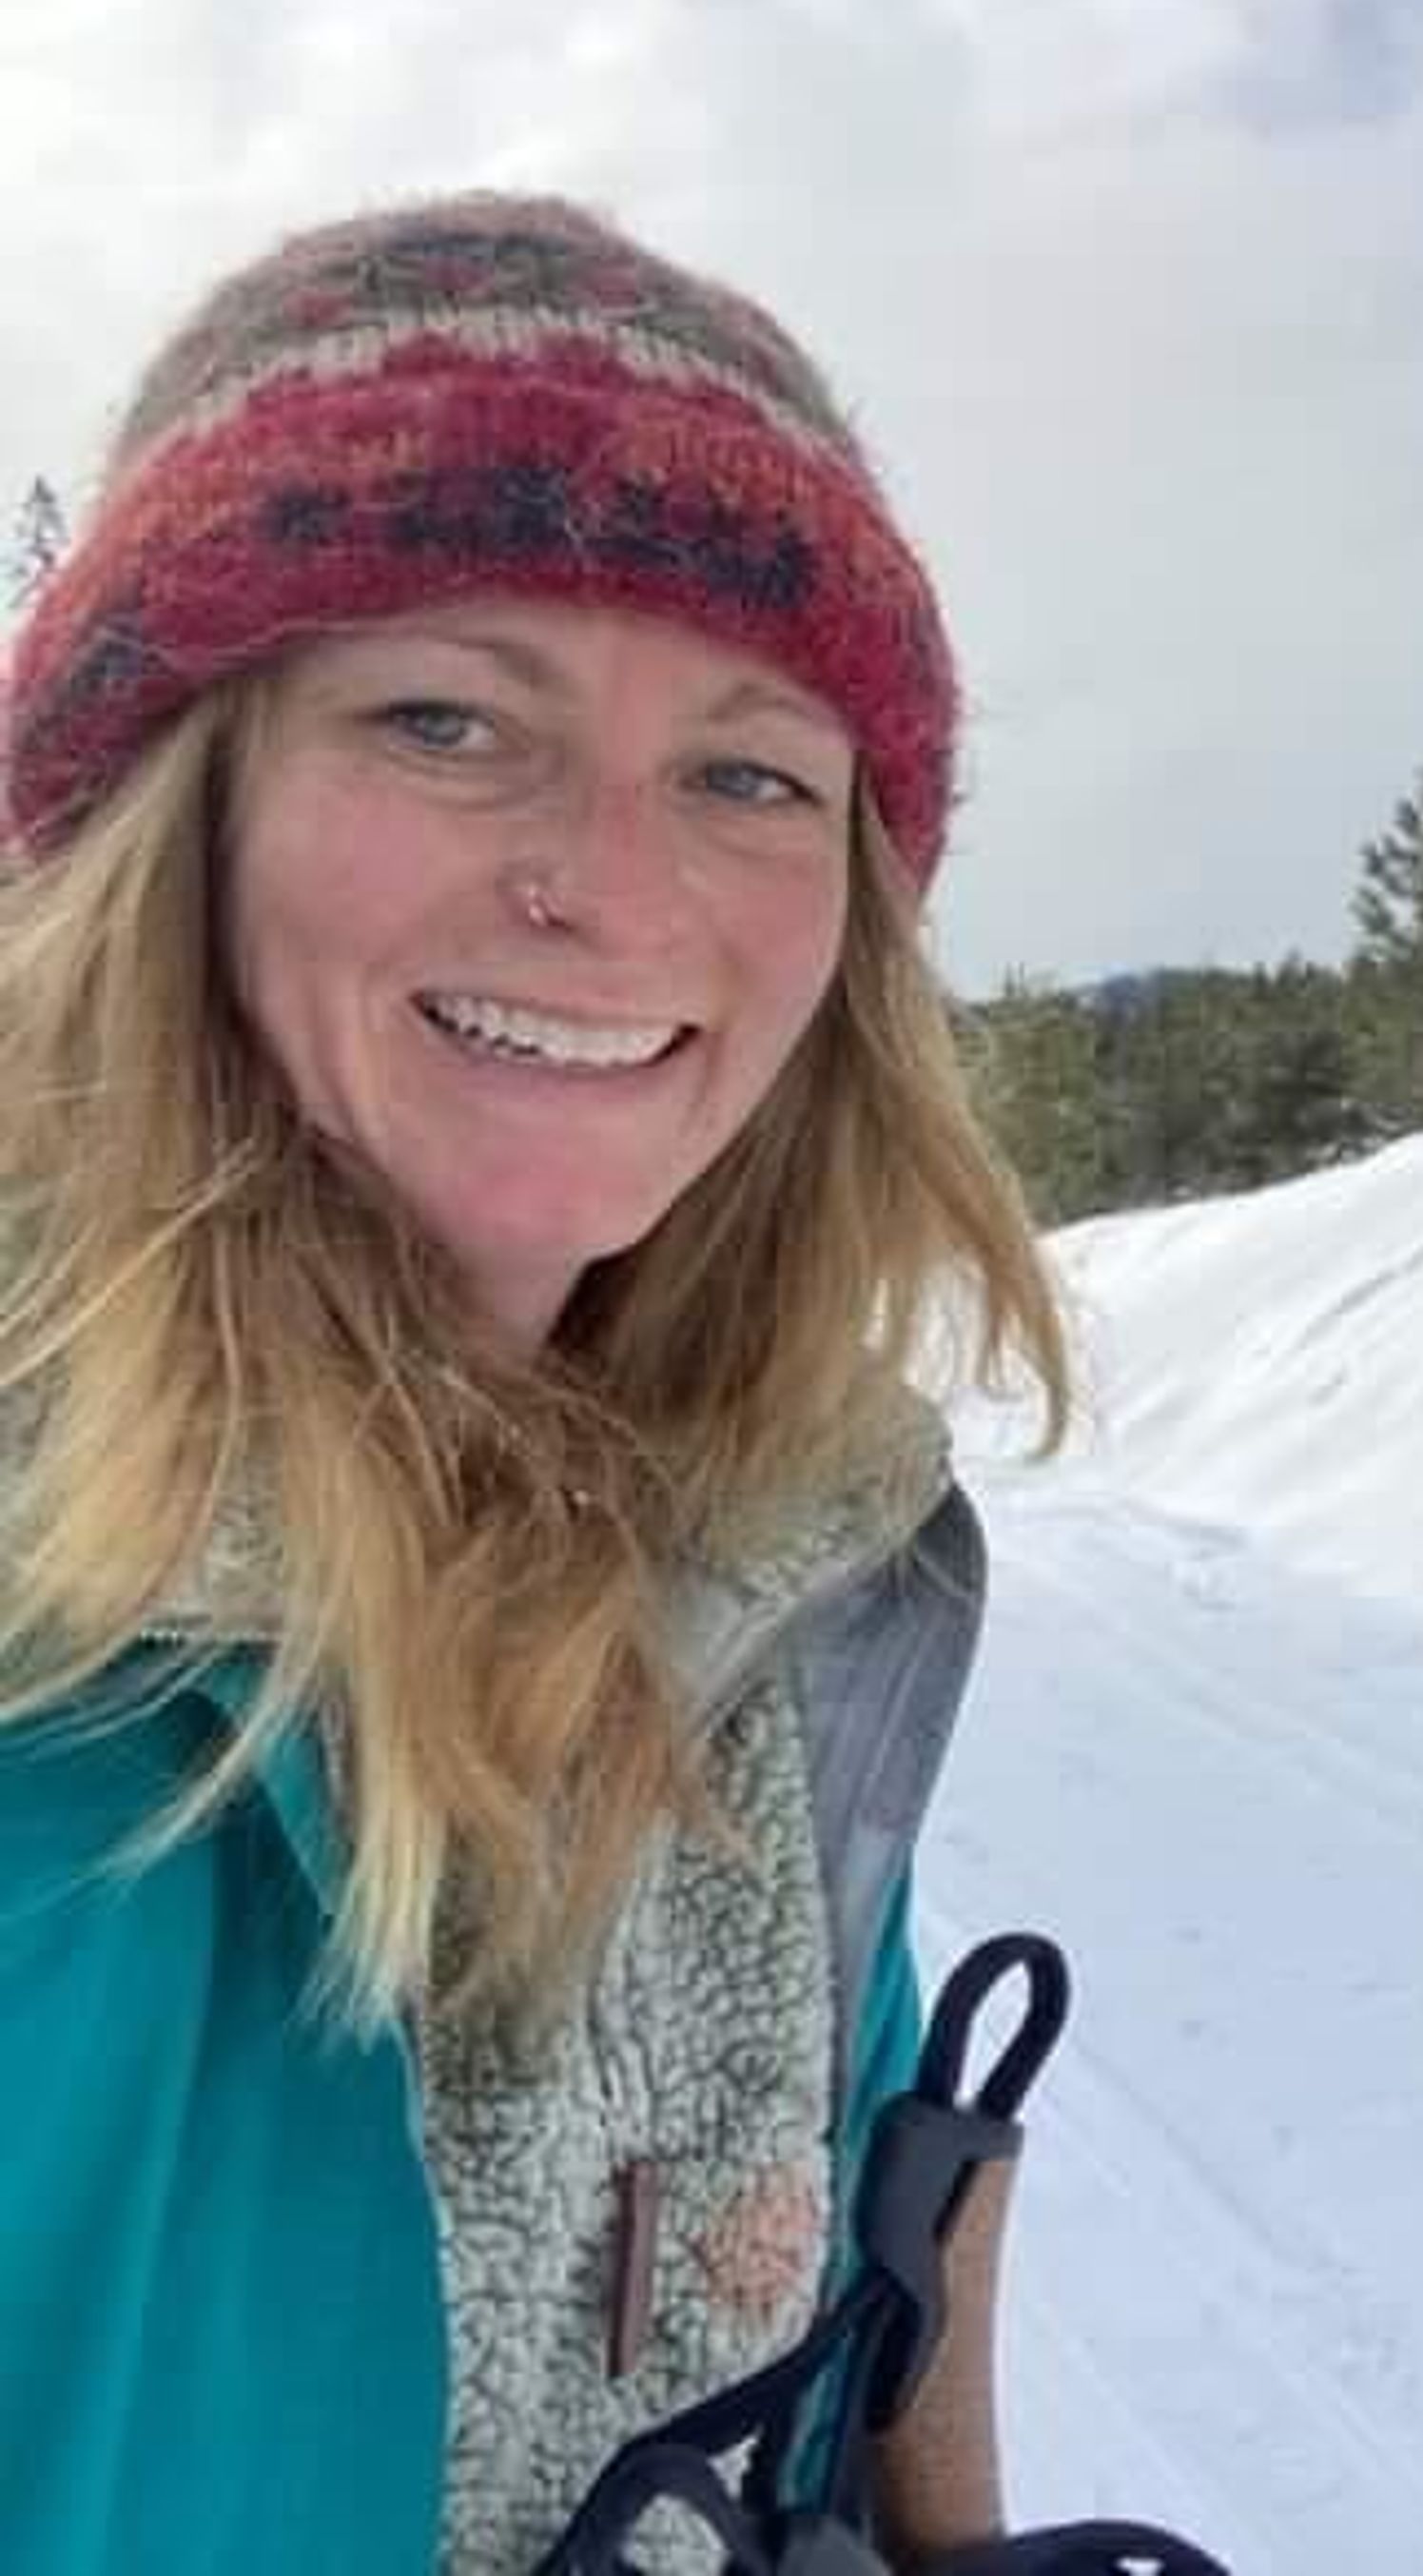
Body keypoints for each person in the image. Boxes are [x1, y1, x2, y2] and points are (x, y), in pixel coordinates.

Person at [0, 195, 1072, 2573]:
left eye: (753, 774)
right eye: (447, 721)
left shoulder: (782, 1576)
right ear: (168, 811)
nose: (614, 882)